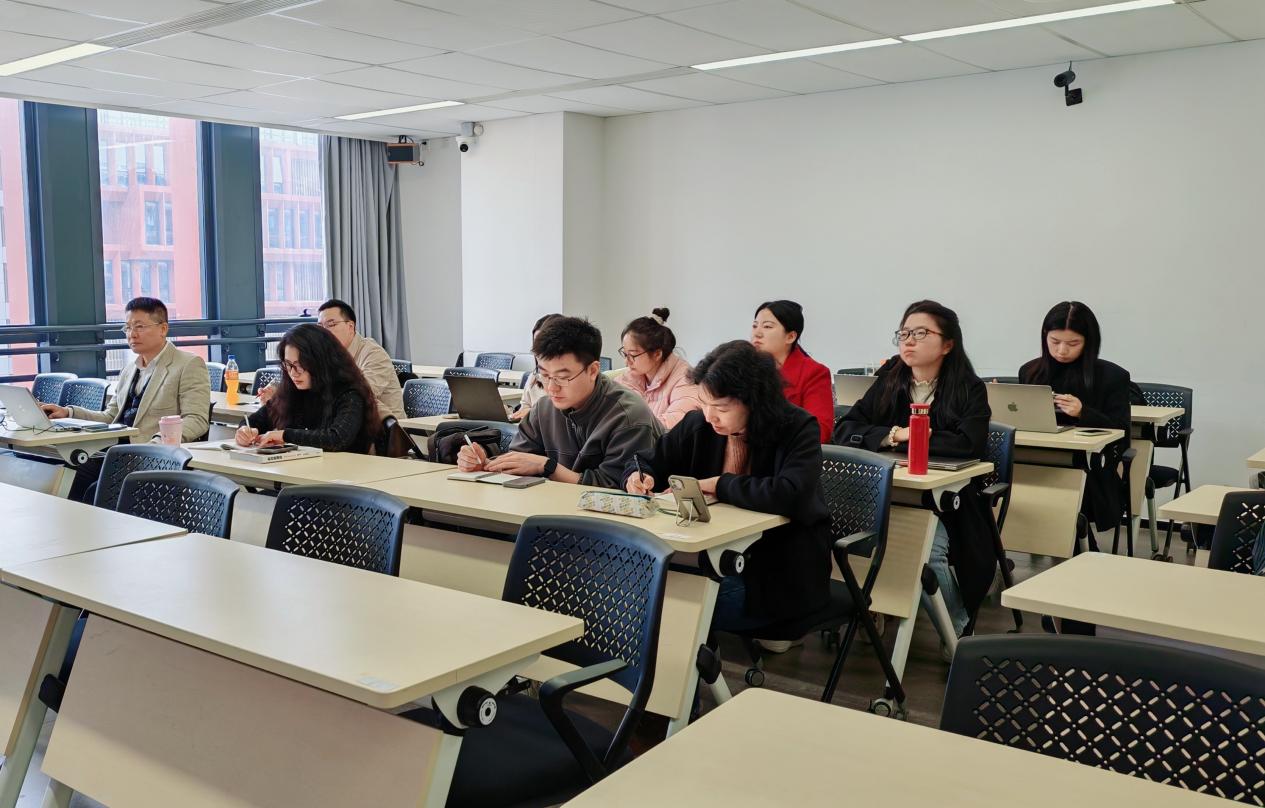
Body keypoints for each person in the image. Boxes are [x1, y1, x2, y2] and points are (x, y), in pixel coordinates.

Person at [625, 340, 831, 632]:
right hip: (706, 558)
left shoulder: (796, 427)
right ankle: (695, 657)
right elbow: (646, 461)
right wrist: (638, 476)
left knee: (671, 608)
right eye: (704, 403)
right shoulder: (699, 424)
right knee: (644, 594)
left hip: (777, 572)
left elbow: (790, 493)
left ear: (754, 401)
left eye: (721, 407)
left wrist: (720, 485)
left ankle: (697, 658)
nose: (710, 416)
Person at [834, 300, 993, 647]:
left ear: (947, 344)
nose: (908, 341)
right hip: (886, 492)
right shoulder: (890, 379)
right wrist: (895, 435)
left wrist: (922, 437)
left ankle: (957, 632)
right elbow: (845, 428)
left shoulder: (969, 387)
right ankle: (871, 606)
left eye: (920, 333)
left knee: (927, 551)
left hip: (945, 500)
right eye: (904, 333)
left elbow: (970, 443)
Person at [457, 316, 662, 488]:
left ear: (593, 370)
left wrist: (548, 467)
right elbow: (520, 461)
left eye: (563, 377)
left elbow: (617, 488)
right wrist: (485, 463)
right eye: (545, 375)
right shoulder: (544, 409)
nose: (551, 388)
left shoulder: (628, 416)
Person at [41, 297, 210, 503]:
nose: (132, 334)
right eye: (128, 327)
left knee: (94, 489)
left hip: (151, 456)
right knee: (68, 471)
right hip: (115, 451)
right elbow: (111, 416)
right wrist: (68, 413)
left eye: (139, 326)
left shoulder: (188, 364)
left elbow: (197, 420)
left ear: (163, 329)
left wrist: (159, 442)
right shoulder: (130, 369)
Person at [1019, 301, 1131, 540]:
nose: (1061, 351)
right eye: (1054, 341)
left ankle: (1078, 544)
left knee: (1069, 486)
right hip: (1036, 457)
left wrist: (1084, 413)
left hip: (1090, 466)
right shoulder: (1030, 372)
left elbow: (1122, 430)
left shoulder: (1112, 377)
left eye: (1073, 344)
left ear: (1089, 342)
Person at [236, 323, 380, 453]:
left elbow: (337, 438)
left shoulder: (350, 393)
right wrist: (245, 430)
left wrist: (284, 435)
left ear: (322, 362)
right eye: (288, 365)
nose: (293, 373)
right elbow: (258, 419)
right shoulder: (293, 390)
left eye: (300, 365)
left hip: (344, 469)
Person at [258, 298, 405, 421]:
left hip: (384, 433)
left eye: (331, 325)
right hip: (343, 425)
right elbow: (294, 375)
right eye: (320, 326)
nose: (323, 331)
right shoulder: (327, 354)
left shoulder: (373, 353)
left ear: (350, 326)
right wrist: (274, 391)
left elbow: (360, 395)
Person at [751, 300, 833, 441]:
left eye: (767, 326)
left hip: (787, 449)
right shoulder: (745, 366)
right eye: (754, 326)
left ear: (790, 337)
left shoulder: (814, 373)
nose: (757, 333)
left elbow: (819, 431)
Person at [615, 308, 700, 429]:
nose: (626, 362)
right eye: (625, 353)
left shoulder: (686, 379)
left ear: (657, 354)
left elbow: (677, 423)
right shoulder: (631, 376)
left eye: (633, 355)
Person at [510, 312, 562, 422]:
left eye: (544, 344)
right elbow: (524, 406)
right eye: (536, 344)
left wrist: (534, 413)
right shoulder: (534, 377)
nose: (539, 350)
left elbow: (565, 415)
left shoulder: (569, 381)